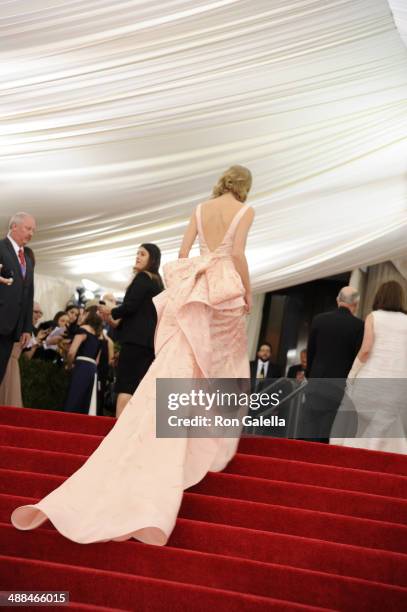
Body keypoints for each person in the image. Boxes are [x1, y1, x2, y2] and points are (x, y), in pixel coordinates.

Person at [11, 164, 254, 546]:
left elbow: (184, 253)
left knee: (176, 366)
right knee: (217, 362)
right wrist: (247, 289)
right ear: (245, 188)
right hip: (219, 295)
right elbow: (237, 254)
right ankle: (197, 438)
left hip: (193, 290)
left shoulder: (200, 209)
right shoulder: (245, 211)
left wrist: (193, 280)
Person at [330, 281, 407, 453]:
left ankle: (361, 455)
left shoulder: (374, 316)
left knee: (361, 421)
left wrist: (353, 372)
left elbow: (365, 350)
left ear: (379, 296)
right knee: (387, 422)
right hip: (398, 382)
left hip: (372, 378)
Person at [99, 244, 164, 418]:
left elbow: (130, 306)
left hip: (135, 343)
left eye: (142, 254)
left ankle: (119, 431)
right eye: (137, 253)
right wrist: (114, 321)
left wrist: (110, 311)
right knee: (137, 388)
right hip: (148, 343)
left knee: (125, 386)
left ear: (152, 259)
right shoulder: (158, 282)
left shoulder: (143, 277)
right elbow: (139, 315)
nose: (137, 257)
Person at [300, 286, 364, 442]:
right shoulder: (359, 326)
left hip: (316, 384)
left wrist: (310, 375)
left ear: (338, 300)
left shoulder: (319, 320)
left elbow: (311, 352)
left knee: (307, 432)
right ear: (356, 304)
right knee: (327, 433)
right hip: (339, 387)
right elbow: (357, 358)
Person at [0, 212, 36, 385]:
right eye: (28, 228)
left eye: (33, 230)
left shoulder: (28, 260)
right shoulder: (0, 247)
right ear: (14, 226)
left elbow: (28, 296)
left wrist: (27, 328)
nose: (31, 233)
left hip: (12, 330)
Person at [64, 306, 103, 415]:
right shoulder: (99, 336)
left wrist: (69, 364)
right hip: (92, 369)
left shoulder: (83, 329)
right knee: (87, 401)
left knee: (74, 398)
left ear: (88, 315)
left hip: (81, 366)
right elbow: (97, 360)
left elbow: (72, 352)